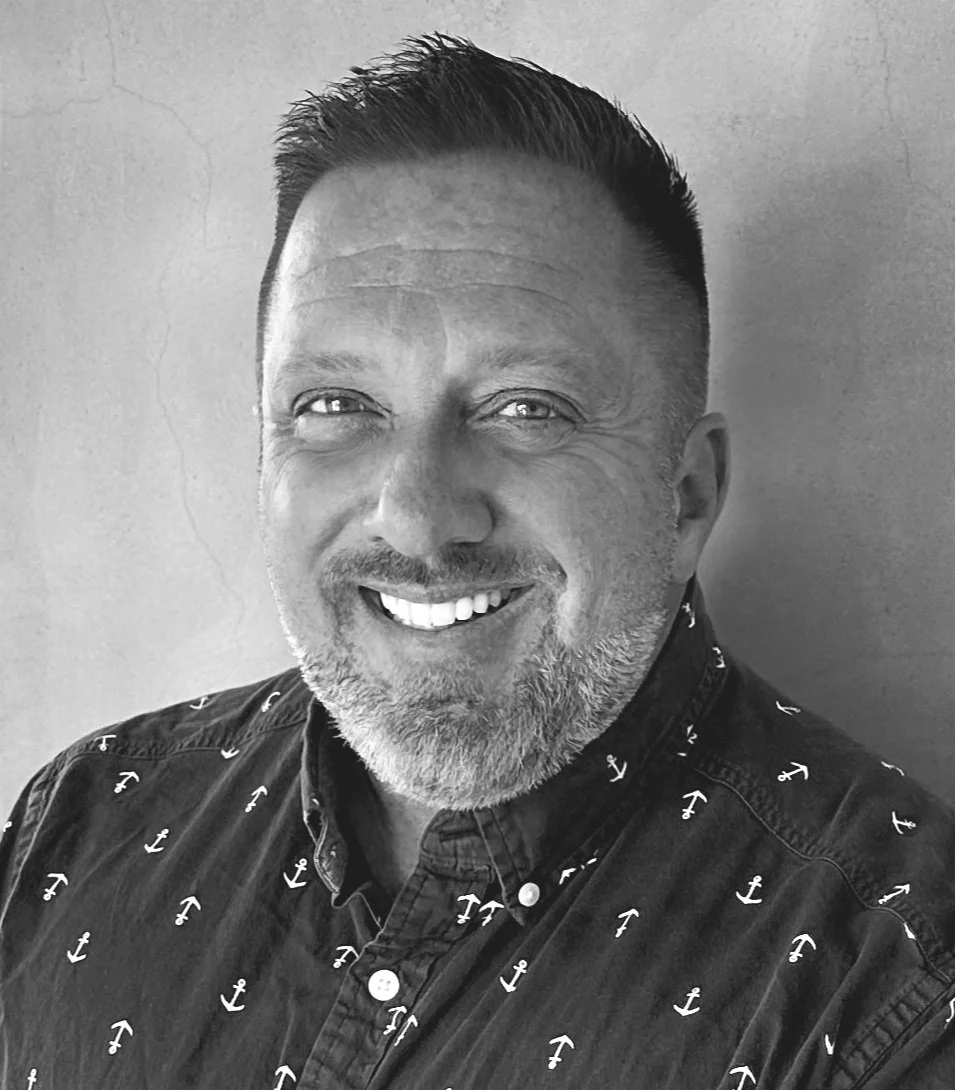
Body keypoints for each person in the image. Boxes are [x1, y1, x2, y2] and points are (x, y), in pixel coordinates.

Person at [0, 33, 951, 1090]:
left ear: (683, 494)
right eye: (335, 407)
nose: (414, 518)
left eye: (523, 408)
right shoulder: (80, 827)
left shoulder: (896, 983)